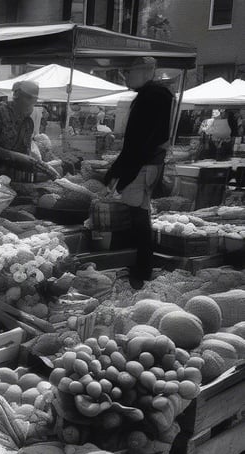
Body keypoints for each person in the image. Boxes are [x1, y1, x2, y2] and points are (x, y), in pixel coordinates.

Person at [104, 56, 174, 289]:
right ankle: (139, 266)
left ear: (146, 72)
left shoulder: (152, 98)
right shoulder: (152, 96)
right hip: (148, 163)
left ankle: (140, 270)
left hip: (144, 164)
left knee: (137, 216)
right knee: (138, 214)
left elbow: (140, 142)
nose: (126, 76)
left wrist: (121, 171)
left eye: (130, 72)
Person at [0, 80, 58, 181]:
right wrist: (10, 155)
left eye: (34, 100)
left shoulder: (28, 123)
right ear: (17, 96)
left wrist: (39, 167)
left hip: (16, 179)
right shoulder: (0, 112)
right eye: (28, 98)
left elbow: (25, 152)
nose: (31, 103)